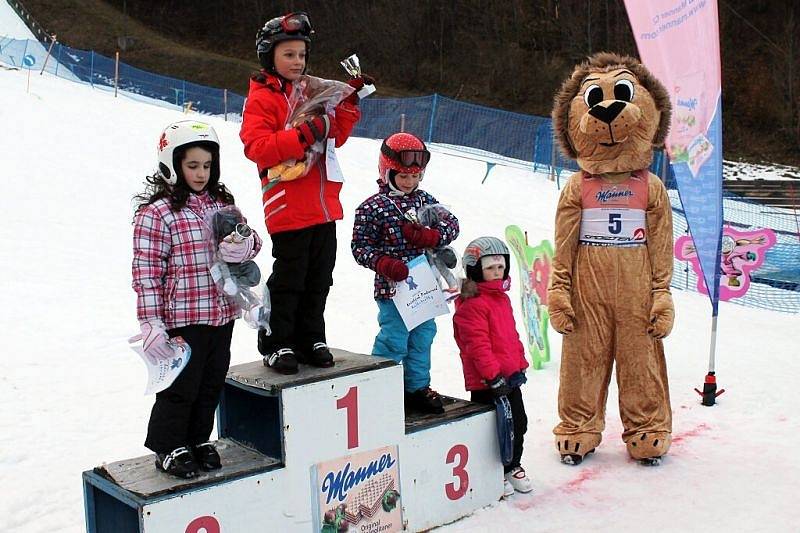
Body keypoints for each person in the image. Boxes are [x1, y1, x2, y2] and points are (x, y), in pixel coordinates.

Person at [132, 120, 262, 478]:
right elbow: (146, 272)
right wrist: (151, 323)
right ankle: (169, 445)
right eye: (192, 166)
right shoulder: (157, 213)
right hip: (183, 317)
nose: (201, 173)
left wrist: (243, 247)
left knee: (211, 381)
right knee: (182, 386)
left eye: (207, 165)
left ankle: (198, 439)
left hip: (222, 312)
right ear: (171, 165)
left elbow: (252, 240)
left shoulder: (222, 204)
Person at [240, 11, 366, 374]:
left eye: (301, 55)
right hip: (288, 203)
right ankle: (277, 341)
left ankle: (311, 335)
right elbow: (257, 146)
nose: (297, 62)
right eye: (289, 55)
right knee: (291, 276)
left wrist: (348, 103)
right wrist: (303, 134)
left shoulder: (310, 89)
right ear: (270, 57)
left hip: (323, 204)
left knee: (320, 275)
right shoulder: (264, 97)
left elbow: (335, 135)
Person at [351, 132, 460, 414]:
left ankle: (416, 387)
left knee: (423, 338)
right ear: (386, 172)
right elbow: (360, 247)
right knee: (394, 338)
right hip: (393, 288)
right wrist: (384, 263)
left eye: (415, 177)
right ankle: (379, 387)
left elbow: (453, 225)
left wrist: (432, 237)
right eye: (402, 176)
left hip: (425, 287)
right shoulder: (372, 208)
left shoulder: (425, 201)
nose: (409, 182)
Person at [453, 236, 532, 496]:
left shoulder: (501, 299)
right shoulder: (472, 305)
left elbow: (511, 335)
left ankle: (512, 464)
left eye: (500, 267)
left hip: (510, 377)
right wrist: (492, 376)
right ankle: (490, 472)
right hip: (488, 382)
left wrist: (519, 364)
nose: (497, 273)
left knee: (518, 423)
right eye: (490, 268)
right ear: (476, 270)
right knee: (492, 430)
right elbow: (477, 346)